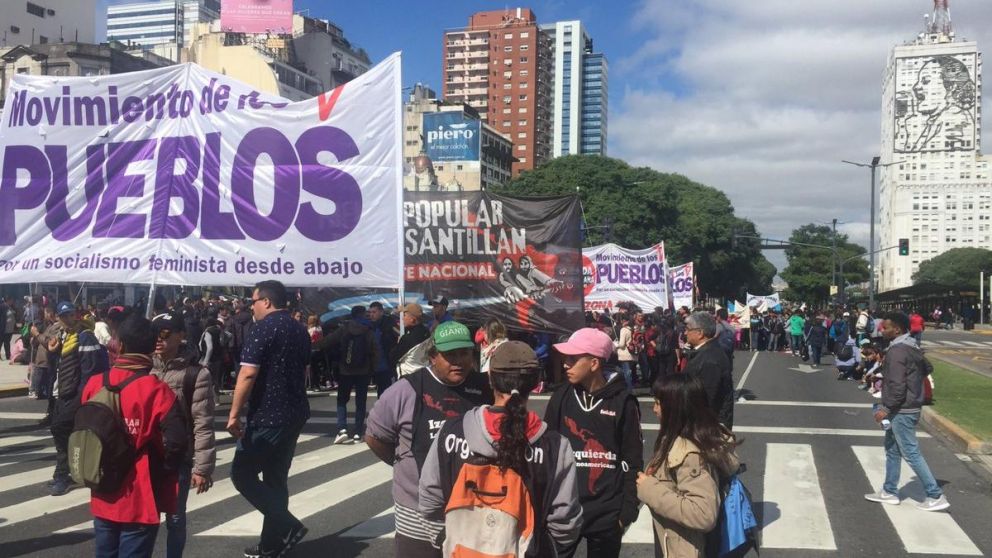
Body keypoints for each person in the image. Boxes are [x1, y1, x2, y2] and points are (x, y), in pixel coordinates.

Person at [418, 341, 583, 556]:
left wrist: (446, 539)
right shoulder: (554, 446)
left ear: (490, 378)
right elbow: (565, 522)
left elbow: (429, 500)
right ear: (536, 382)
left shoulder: (451, 431)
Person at [365, 321, 493, 557]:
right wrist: (404, 464)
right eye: (450, 355)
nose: (459, 361)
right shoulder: (405, 390)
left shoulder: (485, 388)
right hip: (417, 513)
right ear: (433, 356)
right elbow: (375, 437)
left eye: (464, 353)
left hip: (473, 509)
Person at [80, 314, 189, 558]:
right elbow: (177, 442)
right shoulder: (156, 390)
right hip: (139, 493)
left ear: (120, 345)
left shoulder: (95, 383)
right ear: (152, 349)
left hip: (102, 487)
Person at [227, 280, 312, 558]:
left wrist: (234, 413)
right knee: (276, 478)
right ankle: (272, 544)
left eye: (253, 302)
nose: (251, 307)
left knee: (242, 473)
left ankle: (287, 526)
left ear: (266, 301)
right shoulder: (299, 329)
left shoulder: (263, 328)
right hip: (295, 411)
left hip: (268, 414)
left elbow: (248, 373)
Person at [544, 328, 642, 558]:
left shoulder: (623, 401)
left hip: (607, 512)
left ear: (594, 363)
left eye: (573, 359)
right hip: (565, 507)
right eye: (565, 358)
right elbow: (547, 450)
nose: (565, 364)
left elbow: (632, 458)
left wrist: (627, 511)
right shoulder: (561, 396)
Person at [636, 374, 740, 558]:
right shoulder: (691, 437)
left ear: (675, 408)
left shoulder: (689, 454)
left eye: (658, 403)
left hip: (686, 548)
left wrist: (649, 488)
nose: (654, 409)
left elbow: (703, 514)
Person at [865, 312, 949, 512]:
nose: (881, 330)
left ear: (897, 330)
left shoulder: (896, 352)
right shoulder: (912, 346)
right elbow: (928, 367)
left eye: (885, 328)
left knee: (910, 452)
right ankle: (889, 491)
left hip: (901, 409)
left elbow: (897, 385)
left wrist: (885, 409)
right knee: (892, 450)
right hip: (908, 406)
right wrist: (914, 380)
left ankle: (935, 494)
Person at [151, 312, 217, 558]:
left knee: (175, 518)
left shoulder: (196, 374)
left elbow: (203, 422)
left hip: (178, 457)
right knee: (144, 518)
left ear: (181, 336)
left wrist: (202, 468)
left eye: (165, 334)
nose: (159, 340)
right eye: (155, 334)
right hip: (146, 455)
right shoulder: (145, 366)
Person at [46, 301, 110, 496]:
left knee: (61, 430)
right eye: (63, 316)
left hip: (74, 394)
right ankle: (68, 472)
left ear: (76, 315)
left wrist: (81, 398)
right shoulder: (65, 337)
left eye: (70, 315)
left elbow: (89, 371)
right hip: (63, 392)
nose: (67, 319)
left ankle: (63, 475)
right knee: (62, 431)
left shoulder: (85, 337)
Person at [317, 305, 377, 444]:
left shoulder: (344, 328)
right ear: (362, 314)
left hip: (345, 370)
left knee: (342, 400)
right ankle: (357, 432)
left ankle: (342, 429)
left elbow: (327, 342)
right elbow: (375, 351)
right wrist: (372, 369)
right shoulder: (368, 330)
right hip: (363, 370)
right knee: (361, 402)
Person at [681, 312, 735, 429]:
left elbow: (705, 399)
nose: (685, 333)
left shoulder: (710, 360)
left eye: (687, 329)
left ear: (700, 333)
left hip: (706, 427)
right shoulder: (708, 351)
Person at [389, 303, 432, 376]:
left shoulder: (408, 338)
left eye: (404, 315)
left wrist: (399, 342)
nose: (402, 318)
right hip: (424, 373)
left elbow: (393, 357)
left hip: (409, 376)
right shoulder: (426, 332)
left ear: (412, 319)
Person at [368, 301, 399, 397]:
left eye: (374, 312)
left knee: (389, 391)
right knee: (381, 391)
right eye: (370, 312)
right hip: (376, 365)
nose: (371, 315)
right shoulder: (370, 326)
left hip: (388, 363)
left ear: (381, 312)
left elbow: (398, 336)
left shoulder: (390, 323)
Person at [198, 318, 226, 396]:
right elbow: (223, 341)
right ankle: (216, 398)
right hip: (218, 358)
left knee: (206, 379)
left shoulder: (207, 332)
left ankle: (207, 396)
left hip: (208, 358)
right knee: (216, 379)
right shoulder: (219, 331)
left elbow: (209, 348)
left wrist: (205, 361)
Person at [614, 316, 636, 390]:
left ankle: (629, 389)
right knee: (629, 373)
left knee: (626, 374)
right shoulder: (632, 329)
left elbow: (622, 344)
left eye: (622, 320)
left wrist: (615, 345)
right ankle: (631, 387)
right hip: (632, 354)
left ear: (624, 321)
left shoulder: (623, 330)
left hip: (624, 354)